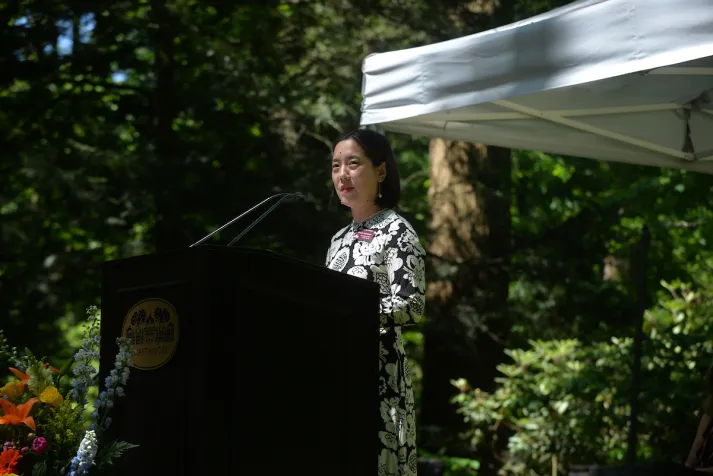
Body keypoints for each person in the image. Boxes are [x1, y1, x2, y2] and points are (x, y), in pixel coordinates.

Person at [325, 128, 425, 476]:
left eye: (353, 163)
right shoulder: (339, 239)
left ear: (381, 171)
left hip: (379, 377)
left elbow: (412, 305)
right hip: (339, 372)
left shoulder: (397, 230)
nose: (342, 174)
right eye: (336, 165)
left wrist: (353, 314)